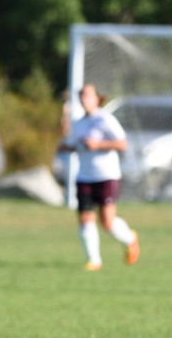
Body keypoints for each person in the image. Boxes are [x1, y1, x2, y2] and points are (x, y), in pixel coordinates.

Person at [57, 84, 140, 271]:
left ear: (96, 98)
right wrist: (67, 147)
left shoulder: (105, 120)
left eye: (87, 96)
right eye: (81, 96)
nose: (84, 100)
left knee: (107, 222)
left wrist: (98, 145)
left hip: (106, 175)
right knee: (85, 218)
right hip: (84, 176)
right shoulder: (78, 123)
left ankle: (130, 238)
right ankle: (94, 261)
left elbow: (122, 144)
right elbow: (75, 145)